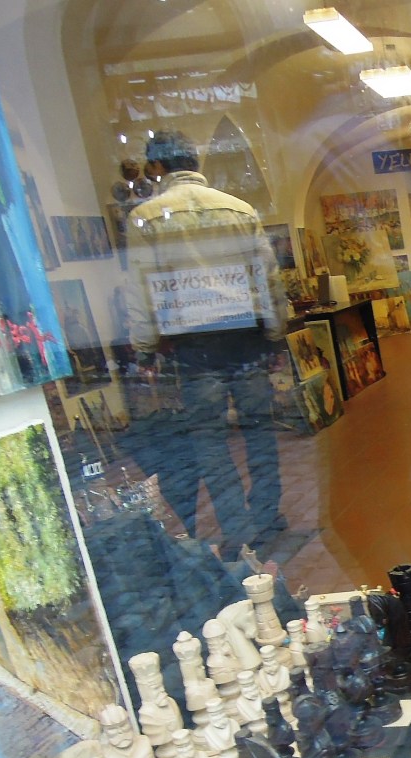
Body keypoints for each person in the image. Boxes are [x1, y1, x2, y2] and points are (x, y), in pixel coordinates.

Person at [123, 129, 288, 557]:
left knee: (210, 441)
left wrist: (144, 348)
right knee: (259, 431)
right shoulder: (239, 210)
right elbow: (268, 279)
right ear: (195, 161)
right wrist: (276, 336)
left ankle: (238, 529)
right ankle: (267, 514)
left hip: (194, 344)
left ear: (157, 166)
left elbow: (141, 289)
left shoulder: (148, 217)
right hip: (246, 337)